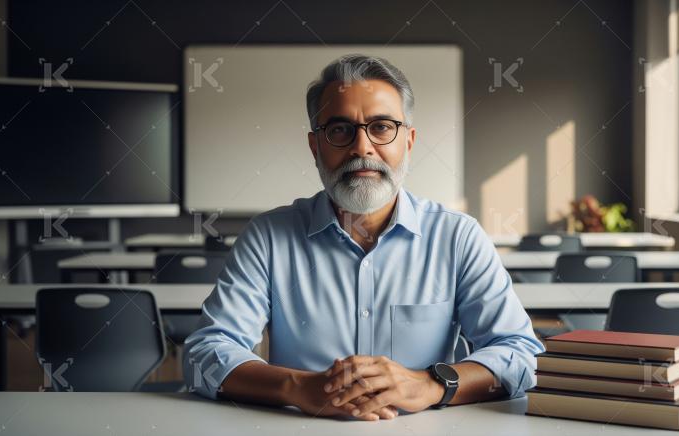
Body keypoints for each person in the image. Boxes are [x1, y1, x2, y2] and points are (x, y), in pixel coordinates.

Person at [183, 54, 544, 421]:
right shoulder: (269, 237)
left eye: (382, 127)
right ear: (315, 146)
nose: (362, 148)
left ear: (409, 141)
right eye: (340, 130)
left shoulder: (458, 237)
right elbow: (204, 354)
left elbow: (520, 354)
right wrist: (297, 387)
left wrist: (431, 384)